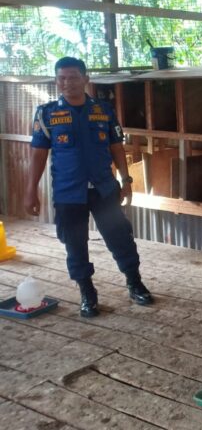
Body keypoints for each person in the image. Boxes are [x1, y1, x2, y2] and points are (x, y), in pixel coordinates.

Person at [24, 57, 153, 318]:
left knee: (120, 238)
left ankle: (134, 283)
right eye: (61, 78)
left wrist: (126, 181)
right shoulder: (47, 113)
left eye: (72, 77)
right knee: (75, 244)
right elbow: (37, 154)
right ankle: (87, 293)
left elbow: (117, 147)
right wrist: (30, 190)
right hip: (68, 193)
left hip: (104, 190)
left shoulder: (103, 110)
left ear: (85, 79)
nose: (67, 82)